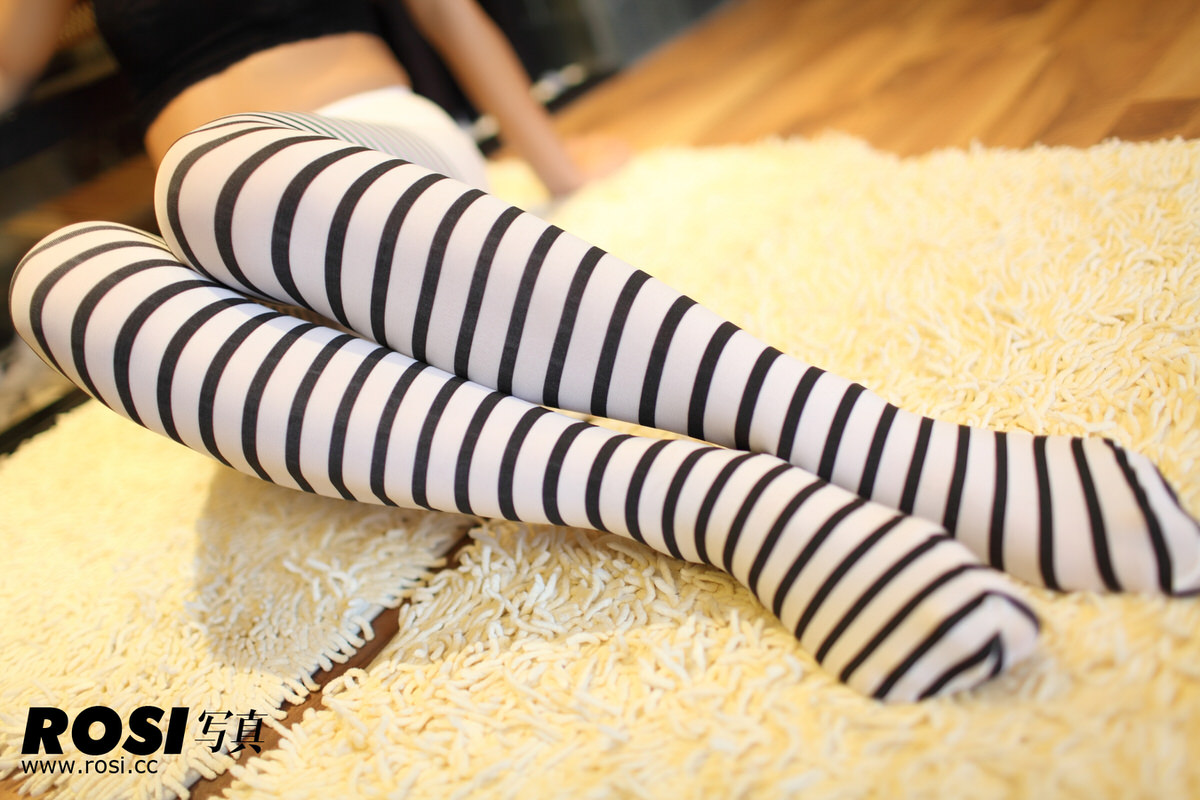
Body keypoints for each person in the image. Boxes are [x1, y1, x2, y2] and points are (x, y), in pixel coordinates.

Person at [6, 0, 1199, 704]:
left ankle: (882, 447)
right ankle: (722, 498)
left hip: (364, 184)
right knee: (60, 278)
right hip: (241, 293)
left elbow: (450, 15)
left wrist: (560, 165)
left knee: (220, 173)